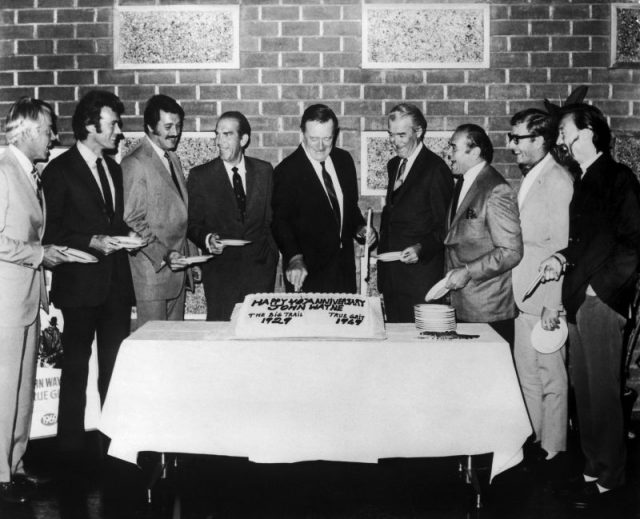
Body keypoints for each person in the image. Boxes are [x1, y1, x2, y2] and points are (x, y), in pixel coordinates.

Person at [539, 103, 640, 509]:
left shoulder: (619, 178)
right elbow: (585, 243)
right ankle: (594, 465)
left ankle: (611, 475)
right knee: (587, 390)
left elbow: (635, 241)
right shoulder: (583, 180)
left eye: (565, 133)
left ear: (589, 133)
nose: (560, 141)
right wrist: (561, 258)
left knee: (602, 392)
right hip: (580, 297)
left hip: (600, 300)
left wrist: (602, 289)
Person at [42, 90, 137, 457]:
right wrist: (91, 240)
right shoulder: (59, 170)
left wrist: (128, 236)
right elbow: (51, 235)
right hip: (79, 288)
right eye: (113, 123)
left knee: (114, 370)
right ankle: (69, 449)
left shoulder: (113, 168)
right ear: (89, 126)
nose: (118, 131)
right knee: (76, 371)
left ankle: (114, 444)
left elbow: (112, 221)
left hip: (114, 287)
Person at [0, 97, 69, 504]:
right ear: (25, 131)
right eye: (47, 130)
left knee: (23, 390)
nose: (53, 138)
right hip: (6, 301)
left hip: (26, 299)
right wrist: (40, 255)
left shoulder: (29, 174)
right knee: (4, 390)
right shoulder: (4, 172)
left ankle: (17, 463)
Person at [508, 109, 573, 471]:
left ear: (540, 140)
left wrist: (553, 304)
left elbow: (560, 247)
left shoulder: (557, 180)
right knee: (528, 375)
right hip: (524, 295)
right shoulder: (534, 175)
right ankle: (534, 441)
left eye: (518, 138)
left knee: (550, 375)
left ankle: (554, 448)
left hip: (543, 297)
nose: (512, 145)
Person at [272, 104, 375, 293]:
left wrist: (360, 228)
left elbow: (349, 209)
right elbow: (279, 223)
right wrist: (295, 258)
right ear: (302, 133)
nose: (320, 146)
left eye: (327, 138)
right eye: (314, 139)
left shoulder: (344, 161)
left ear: (335, 133)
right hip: (307, 275)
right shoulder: (286, 172)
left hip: (344, 273)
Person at [187, 111, 278, 320]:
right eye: (217, 135)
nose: (219, 141)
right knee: (222, 339)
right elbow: (192, 224)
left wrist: (271, 258)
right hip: (221, 276)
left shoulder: (264, 171)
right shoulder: (200, 176)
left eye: (227, 134)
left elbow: (271, 221)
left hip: (260, 274)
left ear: (243, 139)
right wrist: (208, 239)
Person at [444, 124, 523, 345]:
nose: (448, 154)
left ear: (475, 152)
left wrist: (468, 271)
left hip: (487, 311)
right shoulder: (464, 184)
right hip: (463, 306)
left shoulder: (496, 189)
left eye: (453, 148)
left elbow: (511, 251)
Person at [122, 94, 195, 328]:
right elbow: (132, 220)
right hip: (152, 274)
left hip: (177, 271)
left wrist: (190, 256)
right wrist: (164, 254)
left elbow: (180, 214)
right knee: (153, 348)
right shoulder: (135, 162)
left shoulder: (172, 157)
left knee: (173, 347)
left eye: (179, 126)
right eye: (168, 126)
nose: (175, 132)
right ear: (150, 127)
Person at [377, 103, 453, 322]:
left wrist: (421, 247)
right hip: (392, 276)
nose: (394, 141)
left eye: (401, 135)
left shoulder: (436, 169)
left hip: (421, 278)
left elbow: (446, 227)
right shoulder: (394, 165)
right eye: (391, 135)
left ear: (418, 132)